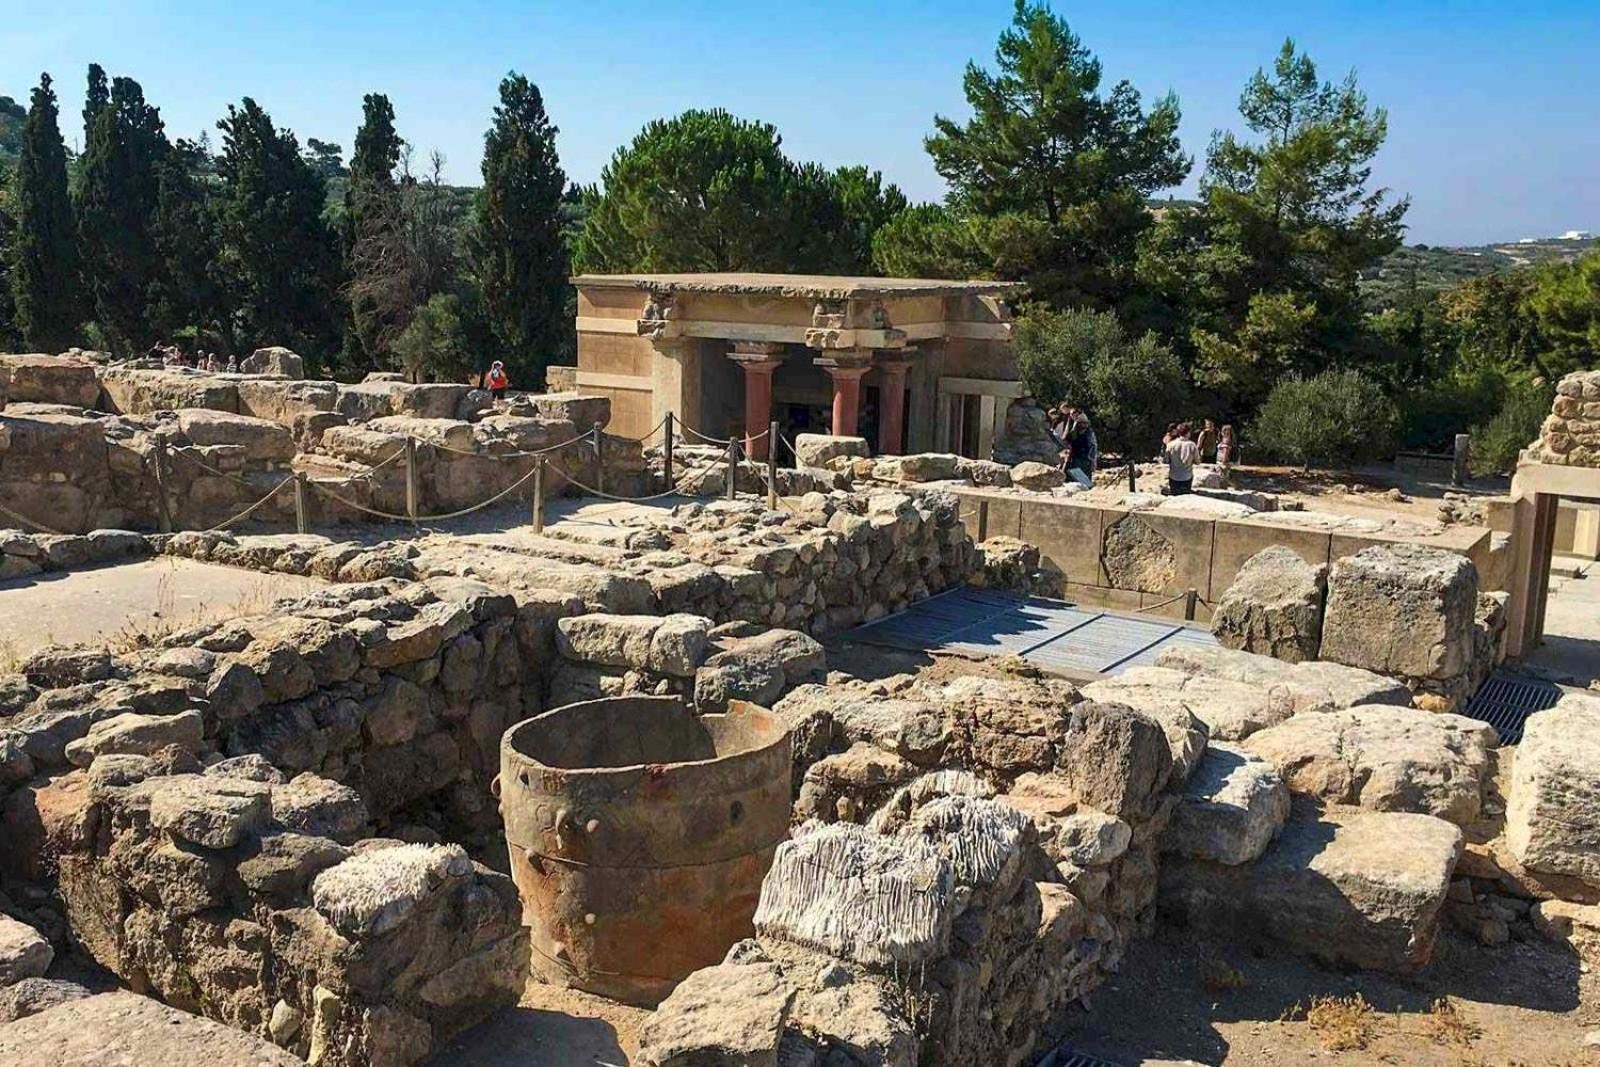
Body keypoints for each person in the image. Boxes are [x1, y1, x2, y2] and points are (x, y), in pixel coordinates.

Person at [1061, 406, 1098, 488]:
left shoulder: (1089, 433)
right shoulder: (1074, 431)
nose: (1084, 425)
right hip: (1075, 459)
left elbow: (1093, 447)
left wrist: (1093, 460)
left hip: (1085, 459)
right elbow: (1065, 438)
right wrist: (1070, 422)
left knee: (1085, 483)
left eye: (1085, 423)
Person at [1164, 422, 1198, 495]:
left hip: (1174, 476)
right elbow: (1198, 461)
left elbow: (1166, 460)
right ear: (1188, 432)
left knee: (1174, 495)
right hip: (1186, 477)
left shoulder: (1170, 444)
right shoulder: (1192, 445)